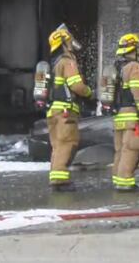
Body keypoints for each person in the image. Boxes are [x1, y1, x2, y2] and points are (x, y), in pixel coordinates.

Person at [46, 24, 93, 192]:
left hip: (54, 111)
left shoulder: (53, 63)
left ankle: (57, 179)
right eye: (69, 40)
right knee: (67, 144)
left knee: (58, 145)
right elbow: (76, 86)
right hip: (65, 111)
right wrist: (89, 93)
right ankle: (60, 182)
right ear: (64, 43)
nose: (72, 42)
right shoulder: (67, 61)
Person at [107, 33, 139, 191]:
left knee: (120, 150)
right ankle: (126, 183)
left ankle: (118, 180)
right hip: (132, 115)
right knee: (131, 148)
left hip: (118, 116)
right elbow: (138, 90)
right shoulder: (134, 66)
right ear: (135, 48)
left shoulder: (117, 67)